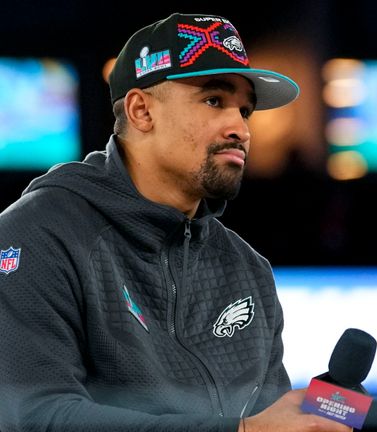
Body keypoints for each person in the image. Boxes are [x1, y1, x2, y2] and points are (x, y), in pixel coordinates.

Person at [0, 12, 350, 432]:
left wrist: (308, 422)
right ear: (141, 111)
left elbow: (264, 422)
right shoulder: (41, 232)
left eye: (245, 110)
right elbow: (35, 417)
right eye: (214, 101)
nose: (240, 128)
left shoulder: (247, 269)